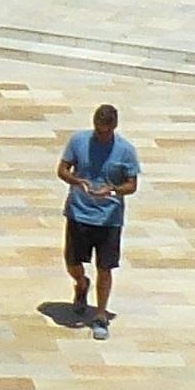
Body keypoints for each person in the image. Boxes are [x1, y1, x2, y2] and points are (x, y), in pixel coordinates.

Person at [58, 102, 139, 330]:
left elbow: (132, 185)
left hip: (108, 219)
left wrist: (112, 190)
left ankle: (101, 314)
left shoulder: (125, 150)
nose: (101, 135)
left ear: (114, 127)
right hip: (78, 212)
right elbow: (62, 170)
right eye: (98, 129)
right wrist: (77, 181)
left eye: (106, 131)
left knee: (105, 268)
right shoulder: (78, 141)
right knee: (72, 262)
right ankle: (81, 284)